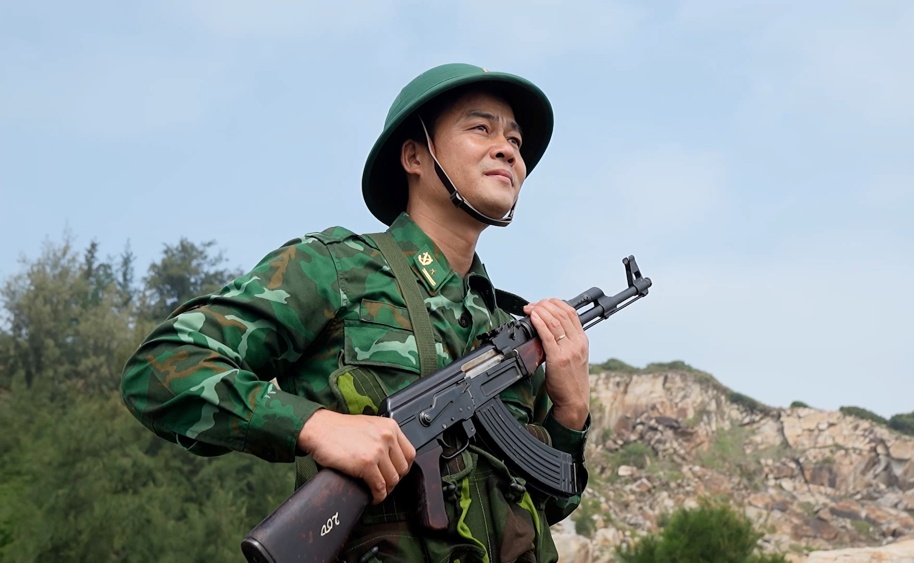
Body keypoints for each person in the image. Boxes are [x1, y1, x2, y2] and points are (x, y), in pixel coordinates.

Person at [121, 63, 590, 563]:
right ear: (414, 154)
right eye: (481, 128)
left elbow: (551, 503)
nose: (508, 149)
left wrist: (571, 412)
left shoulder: (507, 327)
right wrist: (315, 425)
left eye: (516, 140)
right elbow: (161, 369)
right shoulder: (335, 268)